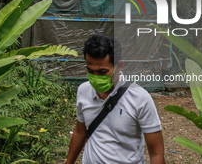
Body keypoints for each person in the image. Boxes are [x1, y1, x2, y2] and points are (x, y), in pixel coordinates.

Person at [66, 34, 164, 164]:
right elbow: (79, 132)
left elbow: (156, 153)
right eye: (90, 71)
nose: (96, 77)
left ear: (119, 66)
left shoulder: (140, 98)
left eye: (102, 72)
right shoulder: (83, 90)